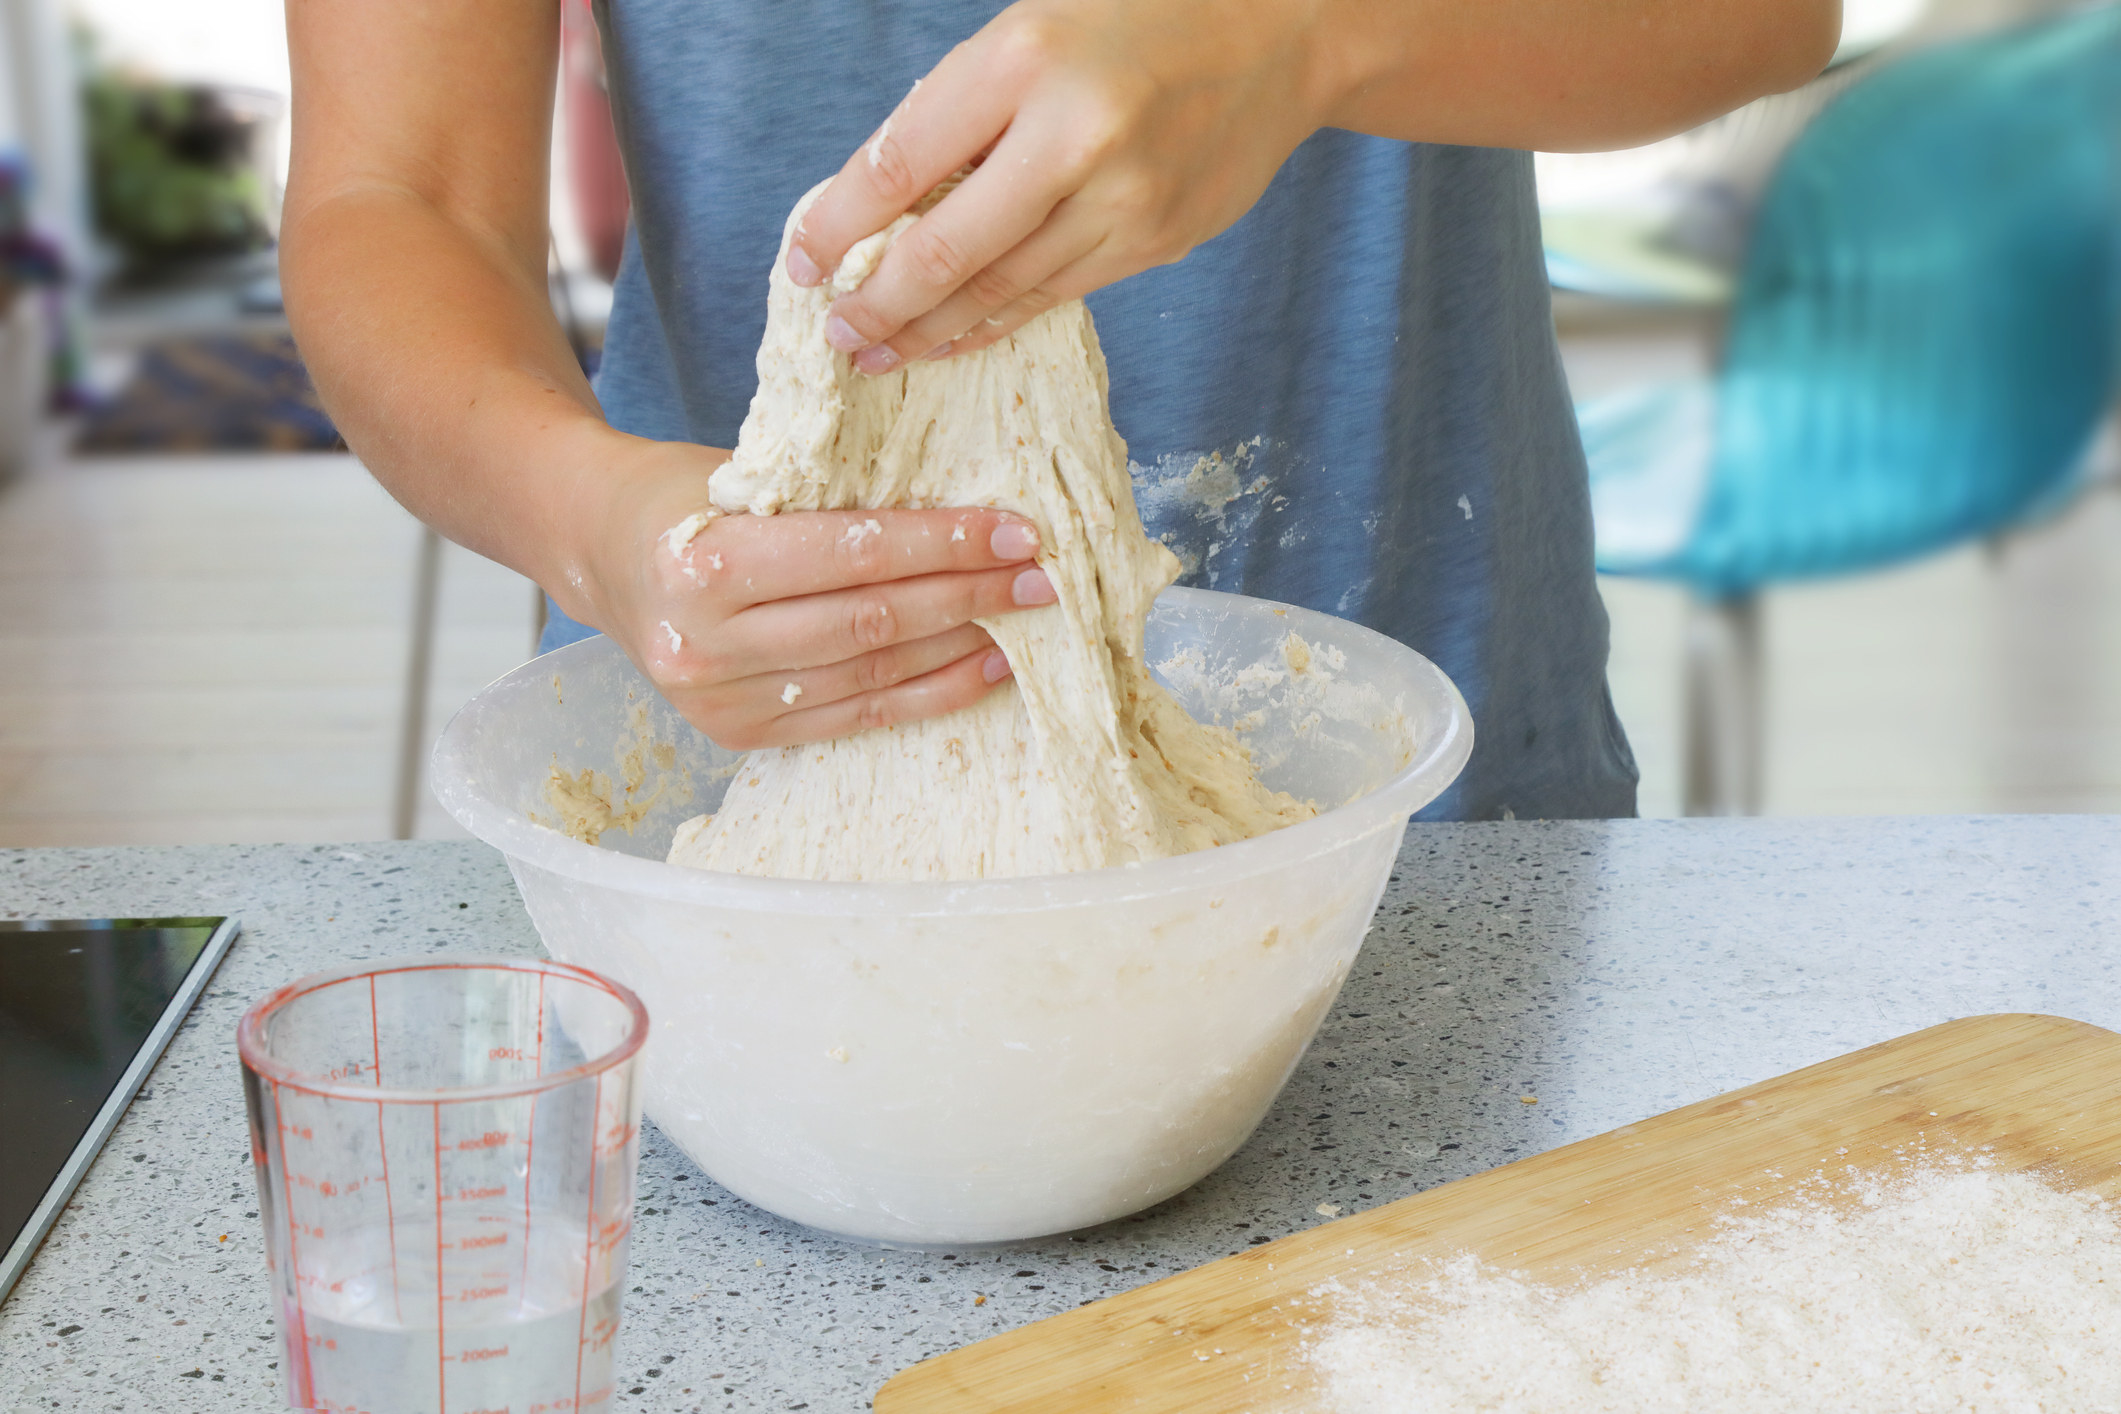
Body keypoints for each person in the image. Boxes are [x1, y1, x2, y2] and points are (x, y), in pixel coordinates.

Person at [282, 0, 1836, 821]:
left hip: (1413, 782)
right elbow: (391, 191)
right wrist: (596, 517)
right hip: (737, 762)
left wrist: (1301, 33)